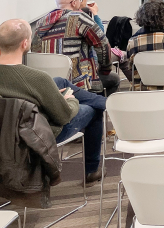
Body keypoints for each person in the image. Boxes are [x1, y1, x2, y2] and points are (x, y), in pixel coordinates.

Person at [0, 19, 107, 182]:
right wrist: (70, 101)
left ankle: (105, 102)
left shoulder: (36, 80)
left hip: (7, 132)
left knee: (59, 81)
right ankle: (91, 170)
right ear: (25, 43)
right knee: (93, 110)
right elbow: (63, 117)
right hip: (36, 136)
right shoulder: (37, 79)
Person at [32, 0, 120, 95]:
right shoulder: (79, 17)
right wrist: (105, 69)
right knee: (114, 79)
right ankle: (98, 107)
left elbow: (35, 48)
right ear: (74, 3)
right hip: (77, 82)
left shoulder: (41, 22)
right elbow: (102, 43)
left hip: (49, 83)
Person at [78, 0, 133, 82]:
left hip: (82, 58)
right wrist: (95, 13)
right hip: (90, 56)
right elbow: (100, 35)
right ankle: (136, 85)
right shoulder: (81, 16)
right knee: (124, 56)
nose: (87, 0)